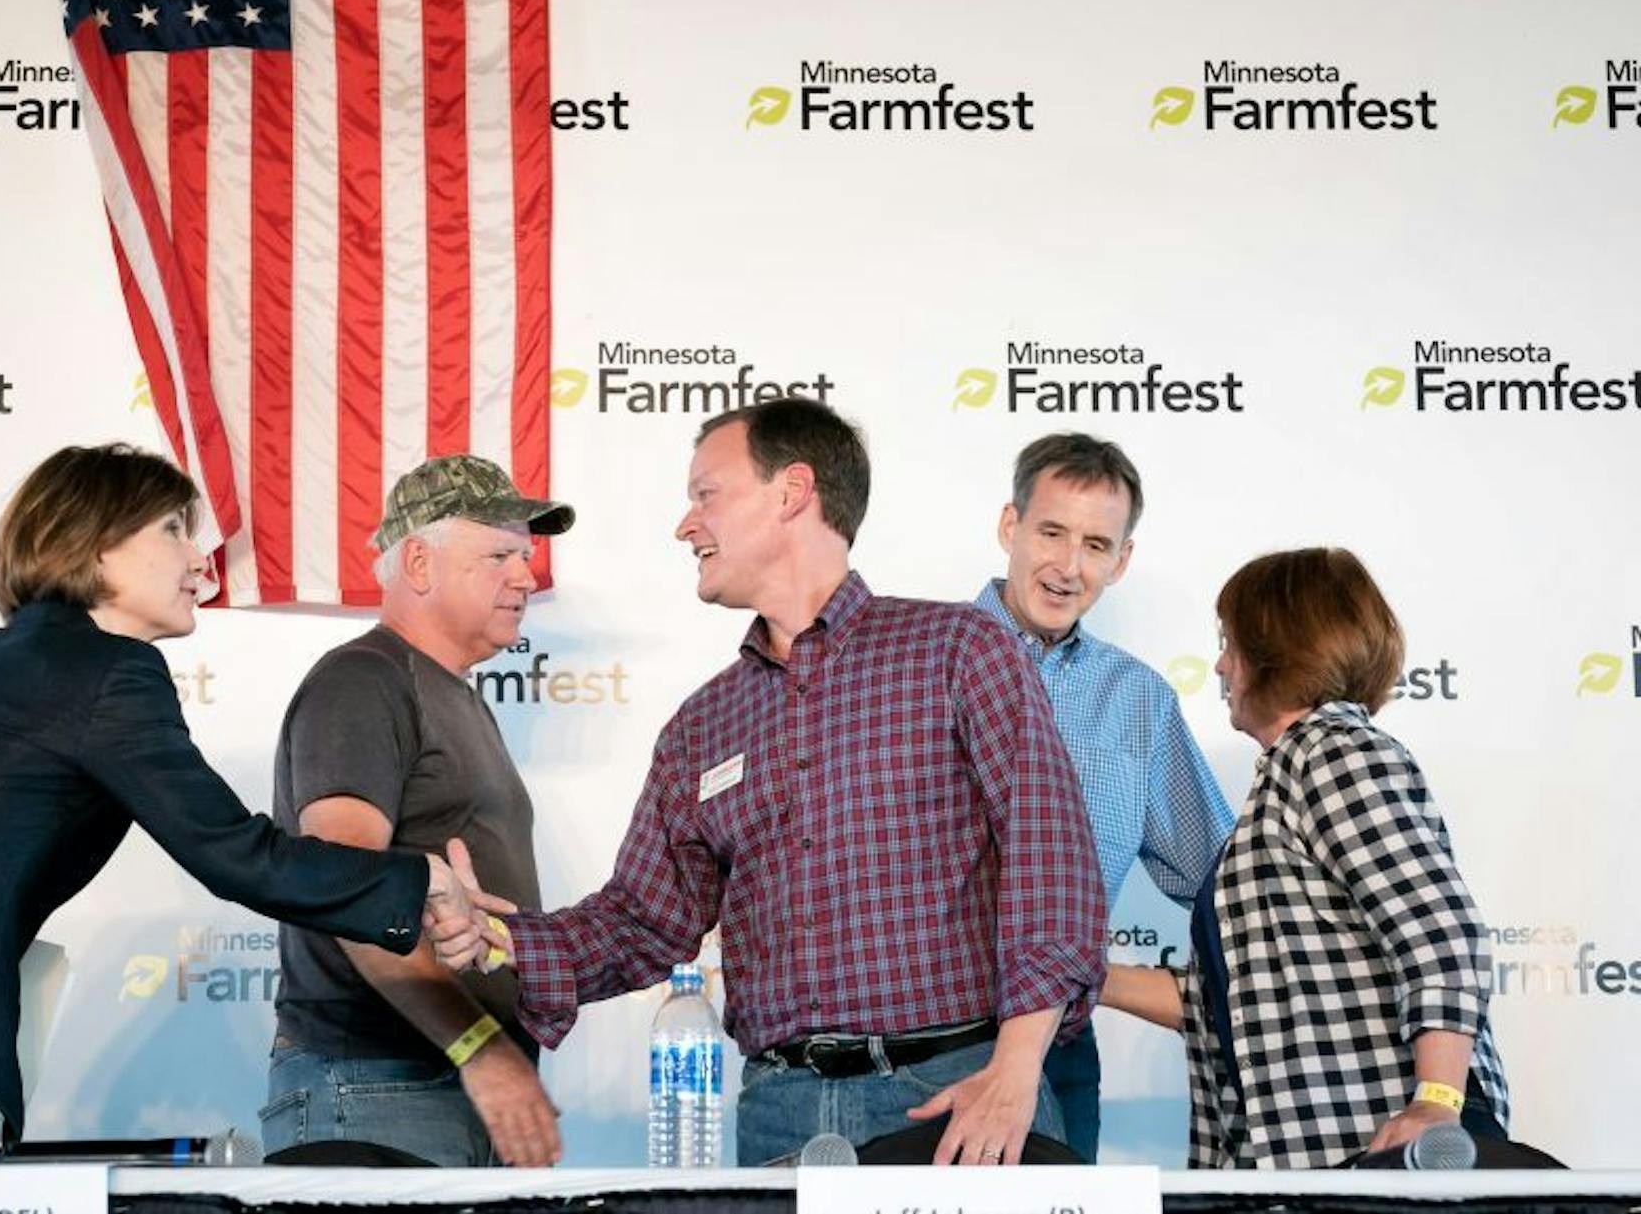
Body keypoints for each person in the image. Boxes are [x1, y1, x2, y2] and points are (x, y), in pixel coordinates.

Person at [0, 443, 489, 1168]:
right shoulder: (110, 671)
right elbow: (236, 854)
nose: (200, 557)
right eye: (173, 529)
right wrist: (415, 882)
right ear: (93, 546)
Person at [471, 398, 1107, 1167]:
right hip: (781, 1115)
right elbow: (644, 919)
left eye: (706, 493)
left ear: (791, 491)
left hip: (959, 1099)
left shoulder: (958, 651)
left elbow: (1052, 864)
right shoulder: (701, 724)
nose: (686, 523)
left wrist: (1014, 1070)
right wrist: (497, 936)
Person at [1098, 548, 1510, 1168]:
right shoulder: (1288, 776)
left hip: (1380, 1159)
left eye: (1231, 644)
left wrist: (1437, 1101)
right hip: (1306, 1159)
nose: (1219, 665)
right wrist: (1084, 973)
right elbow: (1230, 1003)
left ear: (1277, 651)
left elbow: (1441, 934)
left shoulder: (1333, 753)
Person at [263, 455, 572, 1168]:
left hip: (444, 1087)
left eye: (526, 555)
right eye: (500, 554)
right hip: (380, 1087)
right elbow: (348, 886)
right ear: (421, 562)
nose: (526, 576)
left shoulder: (453, 696)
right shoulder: (364, 680)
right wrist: (477, 1044)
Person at [976, 433, 1233, 1160]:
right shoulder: (920, 660)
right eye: (1051, 532)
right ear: (1010, 526)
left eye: (1095, 544)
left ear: (1121, 560)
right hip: (911, 1039)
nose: (1067, 565)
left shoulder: (1139, 701)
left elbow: (1227, 885)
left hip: (1058, 1047)